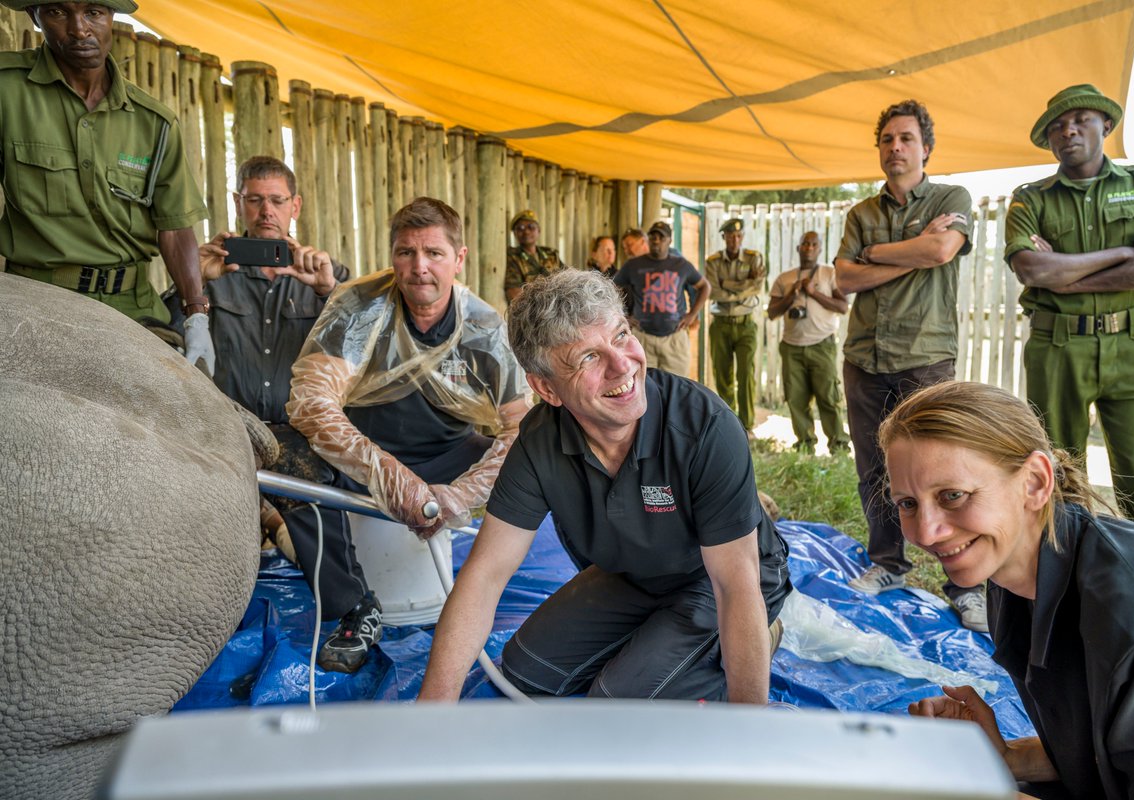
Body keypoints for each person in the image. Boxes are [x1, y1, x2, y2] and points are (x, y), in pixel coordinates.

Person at [418, 269, 791, 703]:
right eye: (589, 358)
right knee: (525, 671)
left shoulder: (704, 425)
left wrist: (752, 730)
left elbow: (733, 584)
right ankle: (658, 638)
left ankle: (764, 630)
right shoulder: (540, 441)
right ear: (546, 388)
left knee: (617, 701)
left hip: (718, 578)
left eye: (620, 336)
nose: (623, 366)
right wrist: (432, 712)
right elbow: (484, 576)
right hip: (634, 575)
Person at [882, 380, 1134, 800]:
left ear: (1034, 482)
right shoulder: (1009, 573)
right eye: (907, 503)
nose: (927, 531)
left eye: (953, 495)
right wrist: (1001, 757)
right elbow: (1112, 753)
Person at [282, 197, 529, 673]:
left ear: (459, 259)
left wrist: (458, 497)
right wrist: (390, 477)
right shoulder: (358, 305)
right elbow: (312, 404)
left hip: (449, 453)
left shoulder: (481, 326)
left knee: (531, 461)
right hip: (364, 457)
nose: (419, 268)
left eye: (434, 253)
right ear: (391, 254)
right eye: (405, 253)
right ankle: (353, 605)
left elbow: (520, 427)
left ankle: (479, 588)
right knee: (291, 459)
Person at [1004, 84, 1134, 536]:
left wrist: (1068, 277)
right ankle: (1065, 579)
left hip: (1131, 346)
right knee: (1059, 476)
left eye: (1080, 120)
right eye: (1057, 126)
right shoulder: (1032, 198)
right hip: (1057, 344)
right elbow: (1031, 267)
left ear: (1105, 125)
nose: (1068, 131)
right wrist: (1123, 253)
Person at [833, 98, 986, 631]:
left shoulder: (952, 196)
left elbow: (941, 251)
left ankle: (967, 586)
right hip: (865, 359)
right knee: (873, 469)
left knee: (943, 473)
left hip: (925, 359)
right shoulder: (861, 214)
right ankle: (888, 565)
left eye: (905, 139)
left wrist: (876, 254)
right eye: (886, 140)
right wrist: (908, 249)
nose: (895, 148)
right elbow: (844, 280)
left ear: (926, 147)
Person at [0, 0, 212, 373]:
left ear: (112, 16)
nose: (80, 29)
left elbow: (175, 227)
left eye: (93, 13)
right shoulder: (7, 91)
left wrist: (196, 315)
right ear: (35, 16)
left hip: (133, 307)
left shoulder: (154, 122)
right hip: (37, 300)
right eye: (58, 12)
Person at [166, 155, 351, 426]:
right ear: (238, 204)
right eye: (254, 200)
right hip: (226, 431)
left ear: (295, 206)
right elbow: (165, 337)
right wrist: (194, 284)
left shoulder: (328, 273)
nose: (267, 211)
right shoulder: (212, 269)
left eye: (278, 201)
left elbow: (363, 348)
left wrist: (328, 292)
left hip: (306, 433)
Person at [767, 231, 850, 455]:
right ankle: (804, 444)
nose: (809, 248)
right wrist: (790, 297)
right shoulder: (784, 278)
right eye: (805, 243)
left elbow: (843, 306)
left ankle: (838, 445)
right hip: (792, 345)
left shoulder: (828, 274)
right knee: (796, 398)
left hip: (821, 344)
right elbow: (772, 312)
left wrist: (813, 293)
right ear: (798, 248)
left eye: (814, 244)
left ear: (820, 248)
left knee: (828, 397)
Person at [613, 220, 710, 377]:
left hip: (674, 339)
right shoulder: (633, 265)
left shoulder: (681, 264)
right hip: (643, 338)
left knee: (679, 387)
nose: (657, 240)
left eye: (661, 237)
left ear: (669, 241)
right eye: (653, 237)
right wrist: (622, 317)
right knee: (644, 387)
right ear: (648, 240)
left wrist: (692, 315)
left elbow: (704, 287)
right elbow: (610, 289)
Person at [705, 218, 766, 434]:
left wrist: (728, 286)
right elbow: (713, 292)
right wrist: (743, 286)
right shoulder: (713, 262)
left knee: (746, 375)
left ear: (743, 237)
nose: (735, 240)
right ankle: (728, 424)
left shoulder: (754, 258)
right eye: (730, 236)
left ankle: (747, 425)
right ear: (724, 237)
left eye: (738, 236)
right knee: (722, 375)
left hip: (745, 324)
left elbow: (757, 288)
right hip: (721, 323)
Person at [504, 208, 567, 304]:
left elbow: (568, 279)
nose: (526, 232)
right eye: (520, 228)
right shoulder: (513, 256)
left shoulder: (552, 254)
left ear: (539, 230)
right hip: (532, 312)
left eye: (531, 227)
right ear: (514, 233)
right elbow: (514, 294)